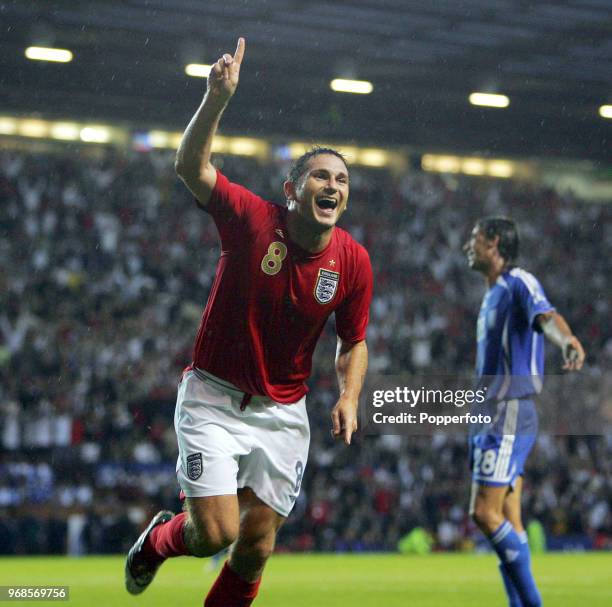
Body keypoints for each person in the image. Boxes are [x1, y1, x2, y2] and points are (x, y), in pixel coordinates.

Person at [124, 37, 373, 606]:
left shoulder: (354, 261)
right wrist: (216, 98)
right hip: (213, 396)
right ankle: (157, 543)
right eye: (320, 177)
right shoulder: (252, 220)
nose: (332, 186)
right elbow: (190, 166)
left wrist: (349, 395)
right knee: (214, 532)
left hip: (283, 413)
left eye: (341, 180)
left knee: (255, 546)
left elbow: (353, 340)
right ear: (292, 190)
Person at [463, 217, 585, 607]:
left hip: (508, 411)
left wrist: (566, 341)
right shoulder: (491, 295)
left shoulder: (519, 281)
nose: (469, 245)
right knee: (509, 520)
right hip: (489, 413)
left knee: (484, 513)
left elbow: (546, 316)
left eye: (475, 238)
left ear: (494, 242)